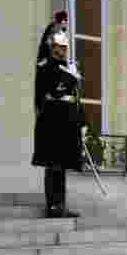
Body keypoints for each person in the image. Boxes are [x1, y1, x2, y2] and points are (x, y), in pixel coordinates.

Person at [32, 28, 85, 217]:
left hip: (67, 120)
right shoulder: (46, 66)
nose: (62, 51)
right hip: (52, 119)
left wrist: (82, 121)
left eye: (64, 47)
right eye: (59, 47)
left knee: (62, 166)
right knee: (52, 164)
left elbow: (76, 98)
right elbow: (54, 90)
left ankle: (60, 204)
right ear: (52, 47)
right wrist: (70, 77)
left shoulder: (67, 67)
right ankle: (52, 205)